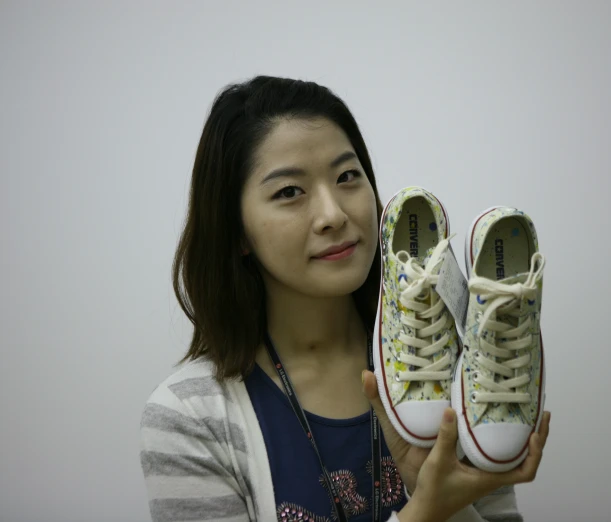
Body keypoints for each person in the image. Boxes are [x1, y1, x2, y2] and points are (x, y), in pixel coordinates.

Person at [139, 75, 551, 522]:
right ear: (238, 231)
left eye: (347, 176)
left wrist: (455, 503)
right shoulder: (188, 417)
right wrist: (428, 511)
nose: (334, 214)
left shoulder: (456, 364)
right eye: (289, 192)